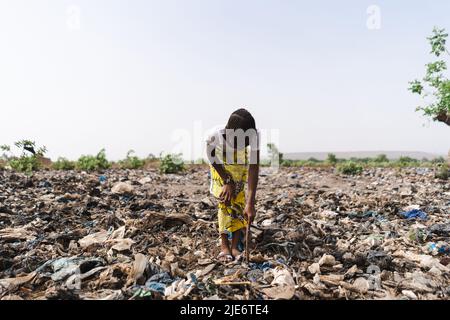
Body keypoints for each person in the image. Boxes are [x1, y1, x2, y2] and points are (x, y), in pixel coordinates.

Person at [206, 108, 260, 262]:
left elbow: (254, 167)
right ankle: (224, 245)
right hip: (220, 161)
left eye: (245, 143)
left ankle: (235, 246)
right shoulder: (214, 135)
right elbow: (211, 156)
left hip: (240, 162)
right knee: (225, 200)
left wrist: (250, 203)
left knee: (239, 199)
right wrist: (227, 180)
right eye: (237, 142)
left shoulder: (254, 136)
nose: (240, 145)